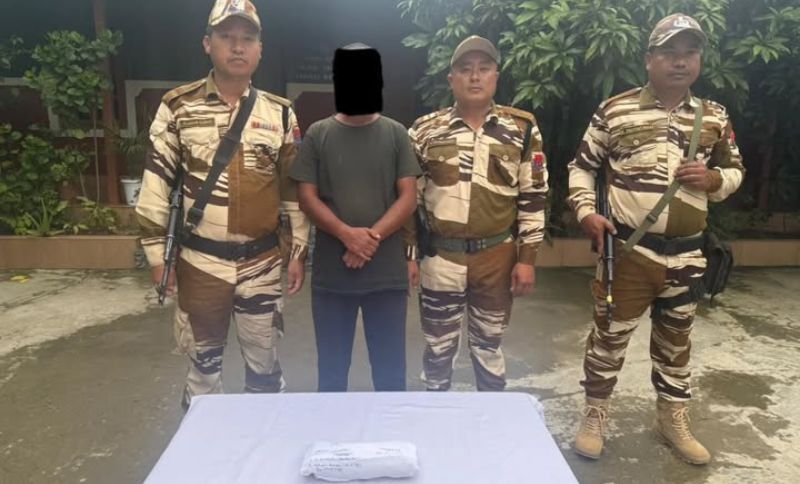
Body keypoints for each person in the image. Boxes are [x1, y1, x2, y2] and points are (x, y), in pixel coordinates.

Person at [567, 13, 745, 464]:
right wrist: (586, 212)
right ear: (650, 59)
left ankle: (672, 419)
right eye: (669, 53)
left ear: (698, 60)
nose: (680, 62)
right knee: (608, 340)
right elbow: (582, 168)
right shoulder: (616, 110)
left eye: (689, 53)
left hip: (687, 256)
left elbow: (735, 171)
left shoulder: (714, 116)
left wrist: (713, 179)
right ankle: (595, 414)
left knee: (675, 344)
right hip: (630, 252)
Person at [135, 0, 310, 409]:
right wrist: (158, 257)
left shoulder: (281, 113)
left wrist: (298, 253)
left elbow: (292, 191)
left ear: (260, 49)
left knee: (264, 368)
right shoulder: (178, 106)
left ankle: (263, 441)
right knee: (203, 370)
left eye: (247, 38)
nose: (237, 46)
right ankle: (202, 443)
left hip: (261, 262)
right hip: (201, 263)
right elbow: (156, 184)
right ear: (207, 43)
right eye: (226, 37)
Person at [405, 36, 549, 392]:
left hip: (496, 257)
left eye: (484, 69)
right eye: (465, 69)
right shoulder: (424, 130)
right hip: (440, 257)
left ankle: (492, 415)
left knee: (489, 347)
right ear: (451, 78)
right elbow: (409, 201)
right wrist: (409, 255)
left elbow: (533, 196)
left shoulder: (522, 129)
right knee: (438, 350)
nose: (474, 77)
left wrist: (527, 259)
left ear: (495, 76)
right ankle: (435, 412)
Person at [290, 43, 420, 392]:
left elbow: (409, 196)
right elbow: (306, 197)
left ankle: (389, 430)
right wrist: (347, 235)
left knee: (391, 376)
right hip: (333, 273)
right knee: (332, 375)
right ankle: (333, 430)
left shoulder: (396, 133)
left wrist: (369, 239)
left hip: (386, 273)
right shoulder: (318, 134)